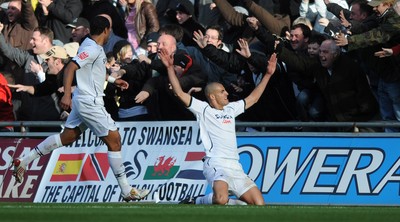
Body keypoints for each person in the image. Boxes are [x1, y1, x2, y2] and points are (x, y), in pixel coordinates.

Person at [11, 15, 150, 202]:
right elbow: (70, 69)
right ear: (106, 30)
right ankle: (126, 190)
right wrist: (67, 94)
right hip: (89, 102)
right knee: (115, 140)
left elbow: (92, 72)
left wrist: (112, 80)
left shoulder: (90, 46)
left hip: (84, 100)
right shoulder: (91, 49)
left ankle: (23, 161)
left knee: (66, 137)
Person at [161, 48, 276, 205]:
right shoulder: (203, 109)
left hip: (235, 166)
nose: (226, 94)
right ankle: (199, 200)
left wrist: (268, 74)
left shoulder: (231, 109)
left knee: (259, 205)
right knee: (221, 200)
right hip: (216, 163)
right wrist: (169, 68)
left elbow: (253, 98)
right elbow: (180, 93)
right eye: (222, 91)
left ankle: (233, 202)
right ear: (212, 96)